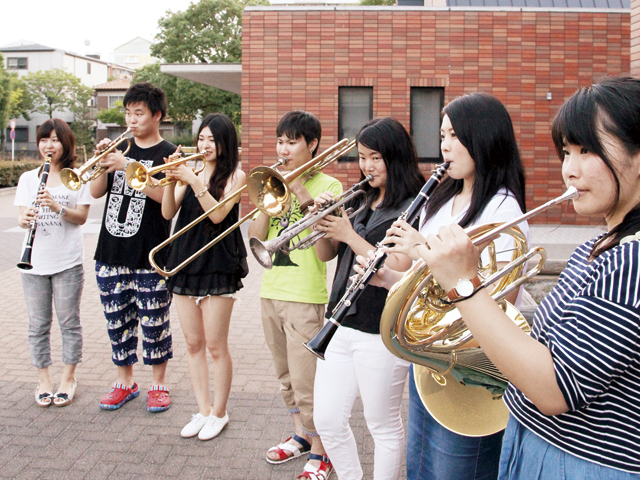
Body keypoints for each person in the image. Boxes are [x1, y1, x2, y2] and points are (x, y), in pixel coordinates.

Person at [411, 77, 640, 478]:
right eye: (567, 151)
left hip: (582, 463)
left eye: (587, 150)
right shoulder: (602, 246)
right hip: (543, 448)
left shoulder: (632, 262)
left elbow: (553, 387)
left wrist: (464, 284)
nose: (569, 170)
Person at [357, 93, 528, 480]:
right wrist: (392, 280)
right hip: (431, 363)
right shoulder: (445, 196)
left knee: (454, 471)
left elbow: (500, 304)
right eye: (442, 134)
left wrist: (421, 250)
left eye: (453, 135)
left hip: (469, 375)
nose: (444, 145)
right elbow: (431, 291)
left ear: (482, 138)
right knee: (420, 469)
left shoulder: (503, 211)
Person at [311, 117, 425, 480]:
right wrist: (323, 224)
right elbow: (325, 255)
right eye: (362, 157)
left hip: (380, 328)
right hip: (338, 322)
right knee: (326, 419)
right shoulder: (360, 197)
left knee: (382, 424)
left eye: (375, 157)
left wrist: (348, 232)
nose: (367, 166)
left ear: (395, 157)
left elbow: (398, 265)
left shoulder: (414, 204)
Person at [247, 111, 342, 480]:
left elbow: (327, 253)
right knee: (285, 376)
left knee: (307, 380)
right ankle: (301, 435)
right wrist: (263, 199)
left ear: (312, 144)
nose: (283, 149)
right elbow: (257, 238)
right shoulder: (274, 183)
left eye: (291, 142)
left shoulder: (330, 187)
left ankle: (322, 450)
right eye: (280, 141)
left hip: (305, 296)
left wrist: (302, 192)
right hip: (270, 290)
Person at [160, 113, 248, 440]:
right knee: (193, 343)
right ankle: (202, 409)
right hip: (185, 259)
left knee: (215, 345)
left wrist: (195, 180)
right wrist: (171, 181)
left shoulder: (236, 176)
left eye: (212, 139)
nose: (205, 145)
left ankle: (220, 413)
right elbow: (168, 212)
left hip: (218, 261)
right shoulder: (192, 170)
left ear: (226, 143)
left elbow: (218, 214)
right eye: (201, 138)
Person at [91, 82, 175, 413]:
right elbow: (98, 192)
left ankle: (158, 385)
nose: (132, 119)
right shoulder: (119, 148)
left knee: (155, 321)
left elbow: (164, 200)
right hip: (111, 252)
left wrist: (127, 168)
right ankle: (124, 382)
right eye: (128, 113)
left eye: (138, 113)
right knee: (117, 321)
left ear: (157, 115)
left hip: (150, 252)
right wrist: (100, 162)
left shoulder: (168, 153)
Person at [15, 119, 91, 407]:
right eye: (44, 139)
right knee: (38, 325)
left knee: (69, 323)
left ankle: (67, 379)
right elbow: (23, 218)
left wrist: (57, 206)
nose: (49, 145)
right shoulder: (27, 179)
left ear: (66, 144)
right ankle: (44, 381)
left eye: (55, 140)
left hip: (67, 263)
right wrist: (24, 220)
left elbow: (81, 217)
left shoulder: (75, 177)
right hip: (33, 264)